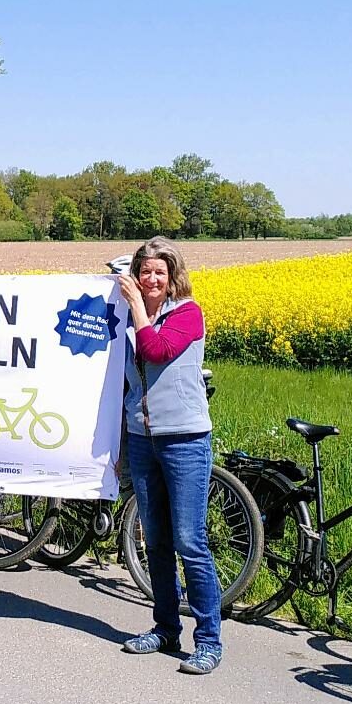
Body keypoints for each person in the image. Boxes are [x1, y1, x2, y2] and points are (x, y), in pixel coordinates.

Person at [117, 236, 222, 675]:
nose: (152, 278)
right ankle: (165, 628)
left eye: (160, 272)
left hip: (184, 440)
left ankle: (209, 641)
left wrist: (137, 310)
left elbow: (155, 352)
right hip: (143, 438)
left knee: (189, 541)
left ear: (172, 276)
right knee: (156, 541)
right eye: (145, 272)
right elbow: (125, 381)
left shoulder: (188, 314)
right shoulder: (130, 319)